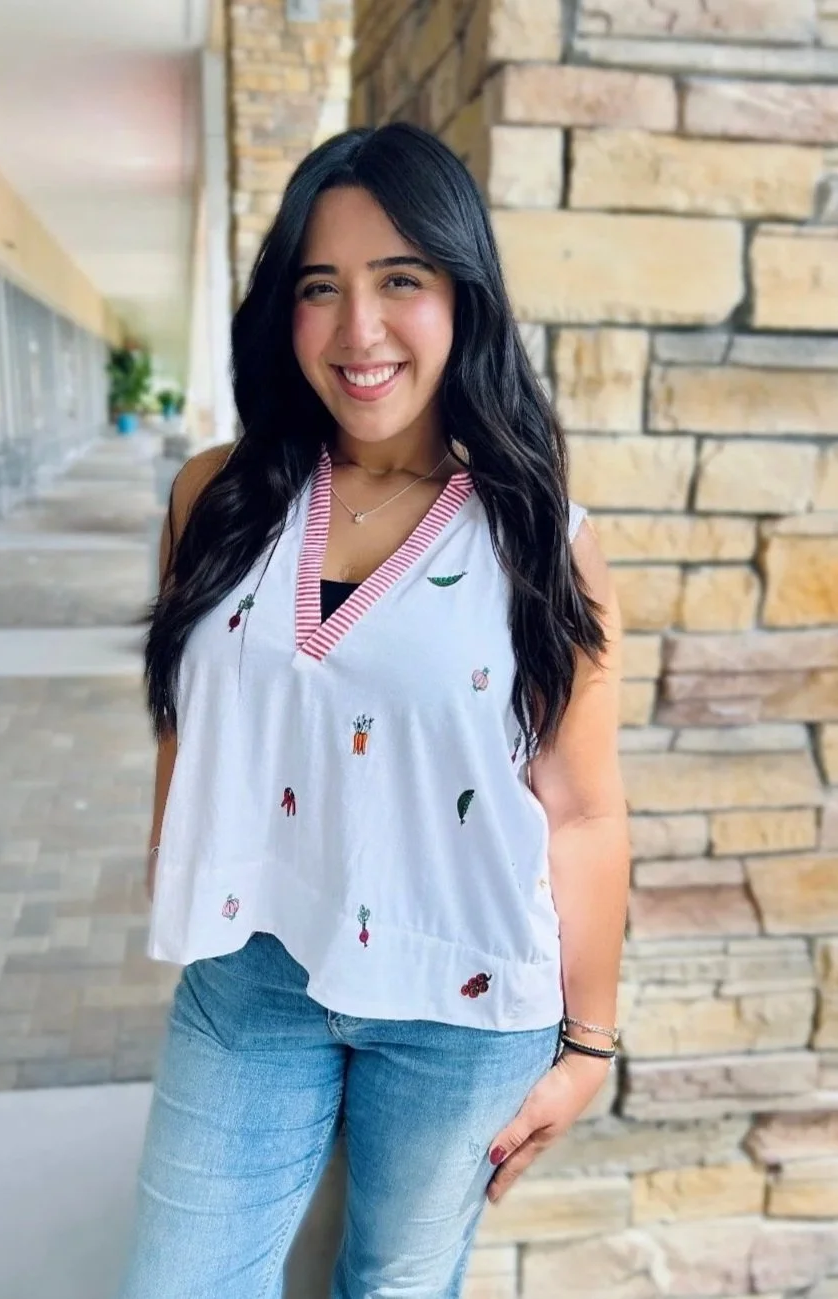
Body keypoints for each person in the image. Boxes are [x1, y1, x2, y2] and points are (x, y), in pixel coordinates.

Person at [117, 122, 629, 1299]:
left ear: (463, 294)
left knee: (395, 1286)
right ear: (280, 310)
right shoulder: (220, 496)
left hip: (458, 999)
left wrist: (587, 1045)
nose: (360, 332)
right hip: (252, 978)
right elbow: (183, 711)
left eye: (401, 280)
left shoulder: (537, 540)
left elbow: (585, 810)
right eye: (320, 288)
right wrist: (176, 868)